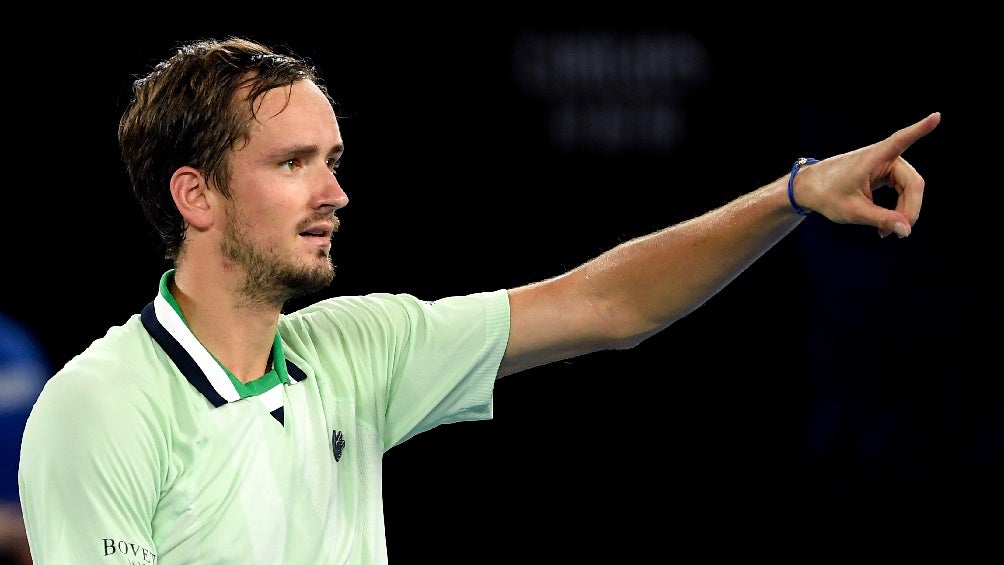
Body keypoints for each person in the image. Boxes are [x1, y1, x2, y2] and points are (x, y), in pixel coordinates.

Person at [17, 35, 941, 564]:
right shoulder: (100, 408)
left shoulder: (357, 347)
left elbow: (602, 306)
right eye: (292, 164)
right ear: (196, 196)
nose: (333, 193)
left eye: (332, 163)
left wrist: (793, 195)